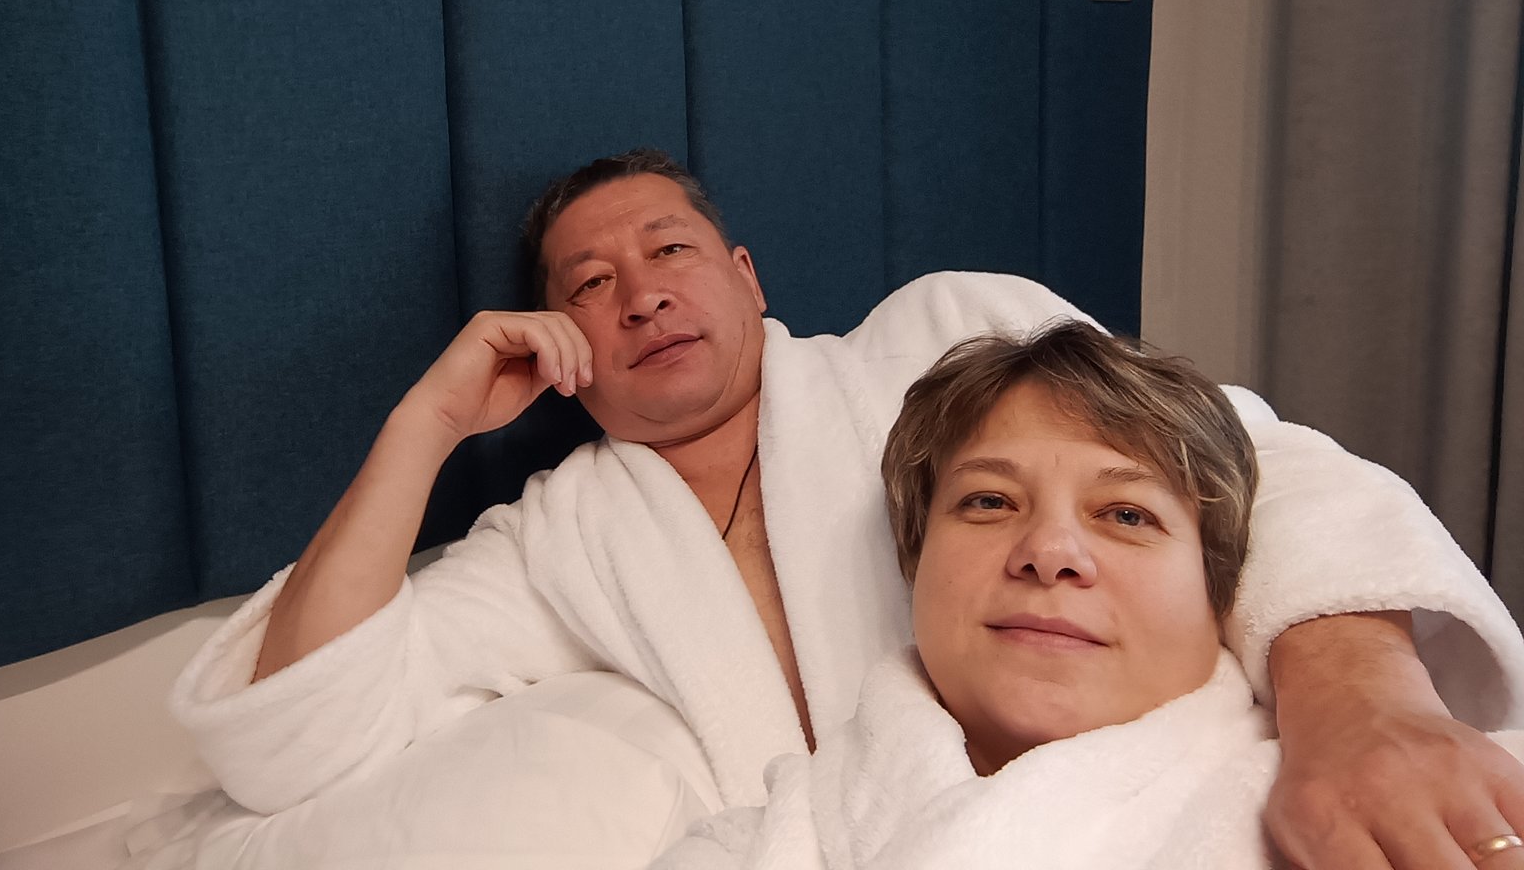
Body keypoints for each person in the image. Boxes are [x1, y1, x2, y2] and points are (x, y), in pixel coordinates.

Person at [173, 149, 1524, 869]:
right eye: (588, 284)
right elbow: (297, 733)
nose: (640, 292)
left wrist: (1361, 709)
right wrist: (425, 426)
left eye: (669, 249)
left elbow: (1252, 466)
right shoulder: (561, 539)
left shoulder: (946, 334)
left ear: (746, 276)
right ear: (563, 344)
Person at [654, 323, 1524, 869]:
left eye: (1126, 515)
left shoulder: (1445, 812)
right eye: (989, 502)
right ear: (917, 559)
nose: (1049, 553)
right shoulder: (761, 842)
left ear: (1218, 586)